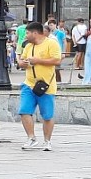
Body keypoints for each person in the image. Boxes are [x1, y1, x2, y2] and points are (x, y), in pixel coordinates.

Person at [17, 21, 61, 150]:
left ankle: (47, 141)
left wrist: (38, 60)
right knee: (24, 111)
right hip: (28, 84)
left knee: (47, 115)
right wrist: (22, 63)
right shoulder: (28, 46)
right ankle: (31, 138)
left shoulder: (51, 43)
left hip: (45, 86)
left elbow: (57, 60)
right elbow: (22, 60)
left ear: (35, 33)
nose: (25, 35)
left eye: (27, 33)